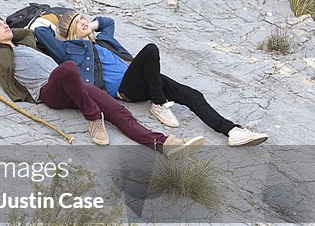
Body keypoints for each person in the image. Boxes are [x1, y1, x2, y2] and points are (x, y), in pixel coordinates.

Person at [0, 16, 205, 156]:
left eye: (3, 23)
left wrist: (2, 33)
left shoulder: (26, 43)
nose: (5, 26)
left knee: (118, 112)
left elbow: (26, 31)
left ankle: (164, 144)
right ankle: (93, 118)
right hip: (48, 91)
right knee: (69, 69)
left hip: (70, 84)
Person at [33, 12, 268, 147]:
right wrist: (61, 28)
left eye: (84, 17)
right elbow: (40, 32)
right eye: (78, 22)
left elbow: (107, 22)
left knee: (192, 95)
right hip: (125, 89)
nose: (84, 22)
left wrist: (88, 25)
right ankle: (158, 103)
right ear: (70, 31)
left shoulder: (103, 40)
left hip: (144, 79)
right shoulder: (69, 49)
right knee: (150, 50)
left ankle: (233, 132)